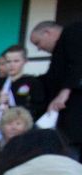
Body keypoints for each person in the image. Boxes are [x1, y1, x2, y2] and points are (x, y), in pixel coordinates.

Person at [31, 20, 81, 151]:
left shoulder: (72, 32)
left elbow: (77, 62)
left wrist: (64, 93)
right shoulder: (59, 53)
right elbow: (50, 79)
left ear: (48, 33)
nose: (39, 48)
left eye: (38, 43)